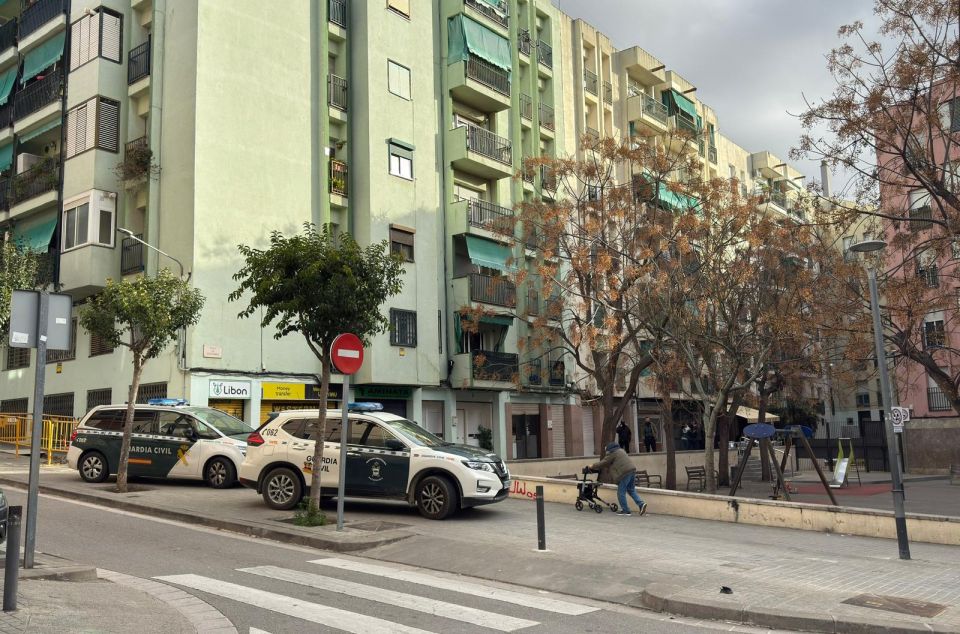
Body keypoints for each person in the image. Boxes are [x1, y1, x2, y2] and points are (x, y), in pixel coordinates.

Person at [588, 441, 647, 516]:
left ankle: (625, 510)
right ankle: (641, 504)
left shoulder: (613, 453)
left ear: (610, 449)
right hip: (632, 470)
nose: (606, 452)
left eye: (607, 450)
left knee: (621, 492)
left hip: (624, 473)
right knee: (631, 490)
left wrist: (592, 466)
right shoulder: (621, 451)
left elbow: (603, 462)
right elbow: (614, 463)